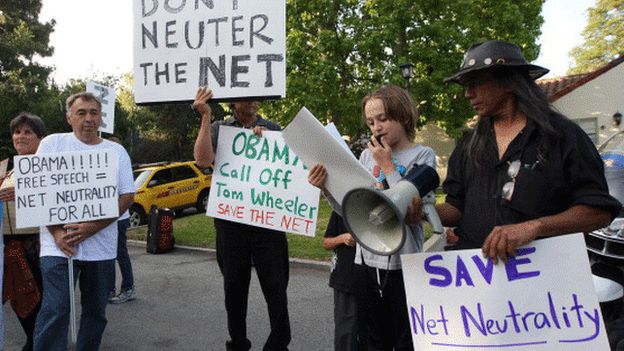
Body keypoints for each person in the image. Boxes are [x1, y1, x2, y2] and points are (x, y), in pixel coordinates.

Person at [411, 40, 621, 262]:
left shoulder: (563, 136)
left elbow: (598, 213)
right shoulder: (468, 146)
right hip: (477, 282)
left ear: (509, 81)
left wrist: (535, 227)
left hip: (543, 279)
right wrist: (424, 212)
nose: (468, 94)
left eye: (476, 83)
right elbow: (456, 208)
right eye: (466, 85)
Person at [308, 84, 436, 350]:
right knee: (370, 337)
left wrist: (388, 166)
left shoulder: (423, 155)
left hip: (404, 262)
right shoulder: (366, 156)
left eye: (383, 119)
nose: (376, 127)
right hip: (365, 262)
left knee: (405, 336)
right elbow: (352, 210)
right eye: (370, 122)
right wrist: (327, 190)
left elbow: (408, 207)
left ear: (404, 116)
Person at [33, 92, 135, 351]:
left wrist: (92, 227)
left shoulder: (116, 151)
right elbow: (38, 192)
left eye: (94, 113)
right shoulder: (51, 144)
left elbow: (126, 195)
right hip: (58, 245)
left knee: (96, 311)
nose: (88, 118)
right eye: (81, 113)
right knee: (56, 308)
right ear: (69, 117)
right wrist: (56, 233)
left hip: (101, 248)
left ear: (101, 118)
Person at [193, 87, 291, 351]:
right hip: (231, 223)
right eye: (248, 96)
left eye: (257, 96)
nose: (254, 101)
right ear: (233, 102)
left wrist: (266, 145)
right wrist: (204, 117)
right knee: (234, 289)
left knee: (276, 287)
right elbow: (203, 160)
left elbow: (286, 170)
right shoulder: (219, 128)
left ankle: (279, 344)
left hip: (267, 221)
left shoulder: (272, 128)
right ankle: (238, 342)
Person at [1, 113, 46, 351]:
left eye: (28, 132)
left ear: (41, 138)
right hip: (11, 247)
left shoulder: (47, 167)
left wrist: (24, 194)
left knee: (39, 297)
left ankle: (38, 342)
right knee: (20, 296)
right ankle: (33, 339)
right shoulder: (7, 172)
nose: (21, 136)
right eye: (17, 132)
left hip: (38, 245)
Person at [323, 211, 362, 351]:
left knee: (371, 331)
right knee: (346, 330)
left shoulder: (377, 206)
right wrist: (342, 238)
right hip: (345, 279)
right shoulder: (340, 209)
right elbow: (326, 243)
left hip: (373, 280)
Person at [106, 136, 136, 304]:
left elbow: (127, 194)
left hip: (119, 217)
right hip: (110, 218)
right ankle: (109, 289)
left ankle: (128, 287)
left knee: (120, 254)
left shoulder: (119, 167)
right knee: (109, 255)